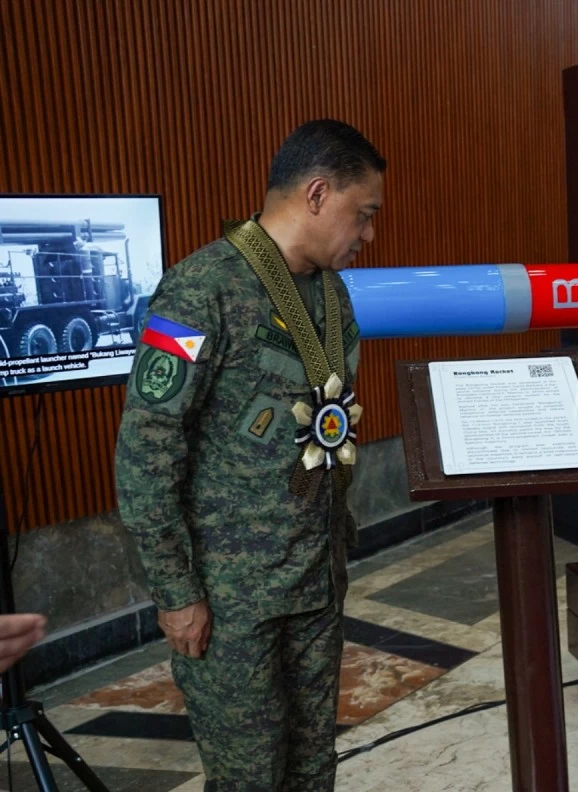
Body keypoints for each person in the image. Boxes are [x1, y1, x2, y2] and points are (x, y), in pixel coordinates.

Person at [115, 119, 385, 791]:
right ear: (318, 193)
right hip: (233, 601)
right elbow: (146, 450)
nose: (369, 235)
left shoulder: (330, 293)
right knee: (249, 778)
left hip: (314, 577)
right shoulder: (196, 291)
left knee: (310, 767)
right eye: (365, 215)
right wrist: (176, 591)